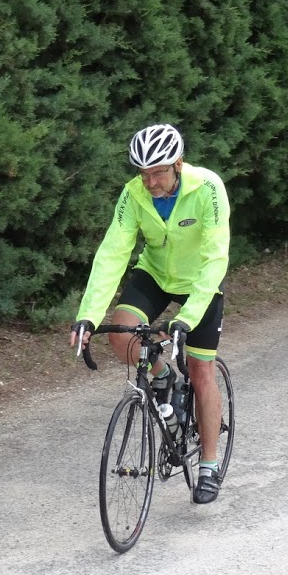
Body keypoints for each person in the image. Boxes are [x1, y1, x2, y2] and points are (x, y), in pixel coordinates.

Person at [69, 123, 231, 504]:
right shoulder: (132, 195)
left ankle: (208, 466)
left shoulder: (207, 188)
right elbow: (112, 253)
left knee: (201, 371)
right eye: (143, 173)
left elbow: (215, 257)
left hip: (200, 282)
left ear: (177, 163)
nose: (150, 182)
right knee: (121, 333)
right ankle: (162, 378)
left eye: (158, 172)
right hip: (156, 275)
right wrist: (88, 315)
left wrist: (186, 319)